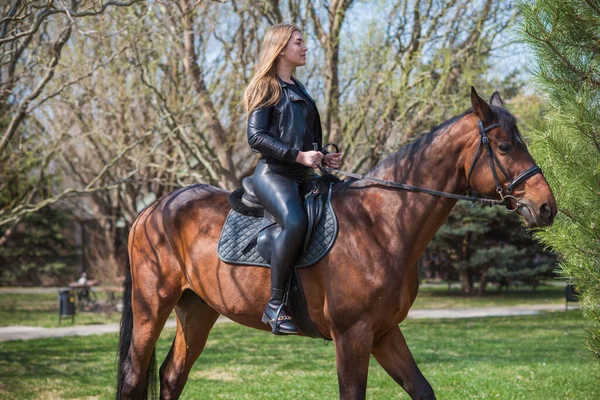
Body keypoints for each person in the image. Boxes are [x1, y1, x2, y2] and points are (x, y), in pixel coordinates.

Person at [243, 23, 342, 334]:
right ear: (281, 47)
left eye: (303, 42)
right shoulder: (266, 87)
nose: (305, 47)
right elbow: (256, 136)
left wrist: (322, 157)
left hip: (303, 174)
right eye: (299, 42)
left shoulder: (300, 88)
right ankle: (274, 306)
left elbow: (305, 138)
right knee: (295, 222)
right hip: (274, 174)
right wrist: (298, 156)